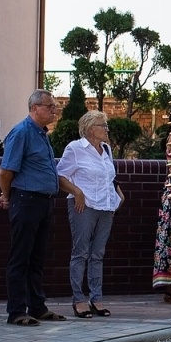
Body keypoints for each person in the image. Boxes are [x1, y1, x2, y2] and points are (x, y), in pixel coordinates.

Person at [0, 90, 70, 326]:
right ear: (34, 108)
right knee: (21, 257)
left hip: (43, 202)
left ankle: (37, 306)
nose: (54, 111)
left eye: (54, 106)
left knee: (36, 258)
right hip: (26, 200)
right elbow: (6, 172)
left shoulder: (41, 134)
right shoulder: (22, 132)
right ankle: (16, 310)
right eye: (50, 106)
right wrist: (8, 197)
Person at [57, 110, 123, 318]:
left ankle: (96, 298)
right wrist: (77, 192)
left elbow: (108, 176)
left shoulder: (107, 149)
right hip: (84, 206)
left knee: (98, 254)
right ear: (90, 128)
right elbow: (60, 175)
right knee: (81, 252)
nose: (106, 130)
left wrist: (118, 194)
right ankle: (79, 299)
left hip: (106, 207)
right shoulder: (75, 148)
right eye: (103, 126)